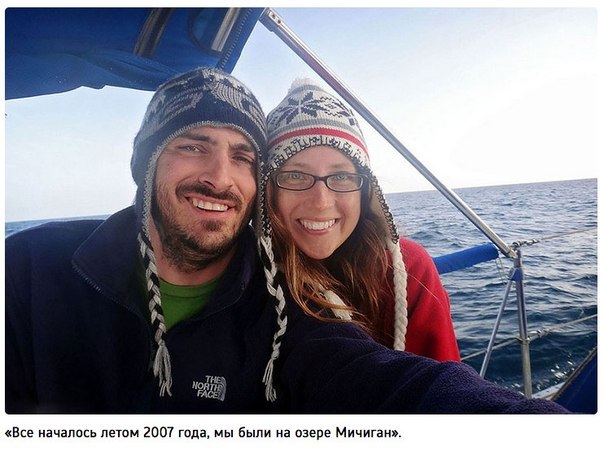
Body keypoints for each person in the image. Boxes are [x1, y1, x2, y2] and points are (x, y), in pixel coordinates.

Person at [5, 67, 568, 414]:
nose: (219, 177)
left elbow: (404, 385)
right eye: (192, 145)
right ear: (146, 162)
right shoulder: (27, 269)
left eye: (242, 156)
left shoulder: (284, 314)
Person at [257, 78, 459, 363]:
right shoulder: (246, 277)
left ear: (365, 191)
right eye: (295, 175)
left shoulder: (408, 269)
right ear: (268, 189)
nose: (321, 201)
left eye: (341, 176)